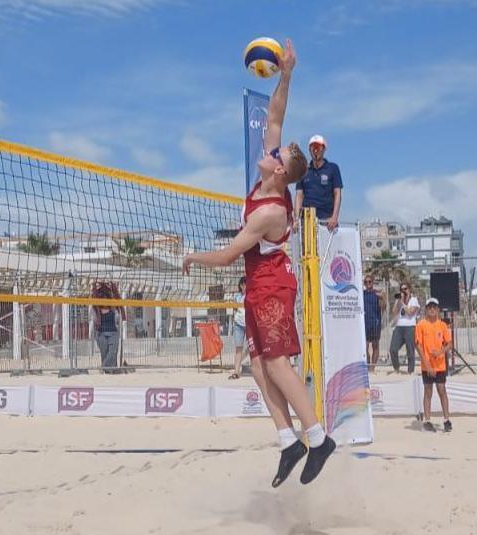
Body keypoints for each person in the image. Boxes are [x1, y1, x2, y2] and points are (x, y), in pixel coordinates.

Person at [183, 39, 335, 487]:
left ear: (281, 172)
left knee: (276, 365)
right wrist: (287, 73)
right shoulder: (265, 179)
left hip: (272, 285)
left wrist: (194, 255)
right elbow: (275, 116)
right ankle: (289, 442)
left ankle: (318, 437)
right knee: (255, 365)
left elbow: (230, 254)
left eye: (275, 156)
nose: (268, 152)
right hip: (258, 285)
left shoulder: (271, 209)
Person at [415, 298, 453, 432]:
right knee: (428, 391)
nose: (432, 309)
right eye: (429, 307)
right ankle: (427, 421)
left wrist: (440, 352)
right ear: (426, 309)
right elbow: (418, 347)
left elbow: (449, 344)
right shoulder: (421, 325)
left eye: (434, 307)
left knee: (442, 389)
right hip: (427, 366)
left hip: (440, 365)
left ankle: (446, 420)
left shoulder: (442, 325)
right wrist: (428, 365)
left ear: (438, 309)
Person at [294, 134, 343, 231]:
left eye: (318, 147)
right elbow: (299, 196)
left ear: (324, 149)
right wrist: (296, 219)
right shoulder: (303, 170)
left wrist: (334, 217)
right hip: (306, 221)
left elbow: (337, 193)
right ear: (309, 150)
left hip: (326, 221)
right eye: (313, 147)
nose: (315, 150)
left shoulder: (333, 168)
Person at [92, 282, 127, 374]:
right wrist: (95, 286)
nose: (104, 300)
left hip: (113, 332)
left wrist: (113, 287)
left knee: (112, 352)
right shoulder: (96, 308)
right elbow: (94, 295)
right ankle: (109, 371)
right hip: (101, 333)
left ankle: (104, 367)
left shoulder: (113, 307)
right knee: (104, 353)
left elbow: (118, 298)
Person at [389, 282, 420, 374]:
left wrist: (403, 303)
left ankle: (410, 371)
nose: (403, 291)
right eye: (401, 289)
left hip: (410, 326)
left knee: (410, 350)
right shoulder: (400, 300)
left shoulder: (414, 300)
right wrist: (398, 301)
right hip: (399, 326)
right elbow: (394, 312)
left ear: (409, 290)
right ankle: (396, 368)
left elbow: (410, 312)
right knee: (393, 349)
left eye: (405, 289)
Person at [363, 275, 384, 372]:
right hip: (365, 323)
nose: (368, 284)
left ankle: (372, 368)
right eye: (366, 282)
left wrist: (381, 298)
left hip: (375, 323)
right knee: (365, 346)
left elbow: (383, 307)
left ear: (373, 282)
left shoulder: (377, 294)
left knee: (375, 346)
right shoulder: (362, 295)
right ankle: (367, 366)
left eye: (369, 282)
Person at [229, 276, 247, 380]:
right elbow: (234, 309)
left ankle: (257, 369)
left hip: (249, 324)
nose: (245, 286)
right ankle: (236, 372)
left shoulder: (251, 295)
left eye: (246, 284)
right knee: (238, 348)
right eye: (243, 284)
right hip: (239, 324)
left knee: (253, 349)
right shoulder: (236, 296)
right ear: (240, 286)